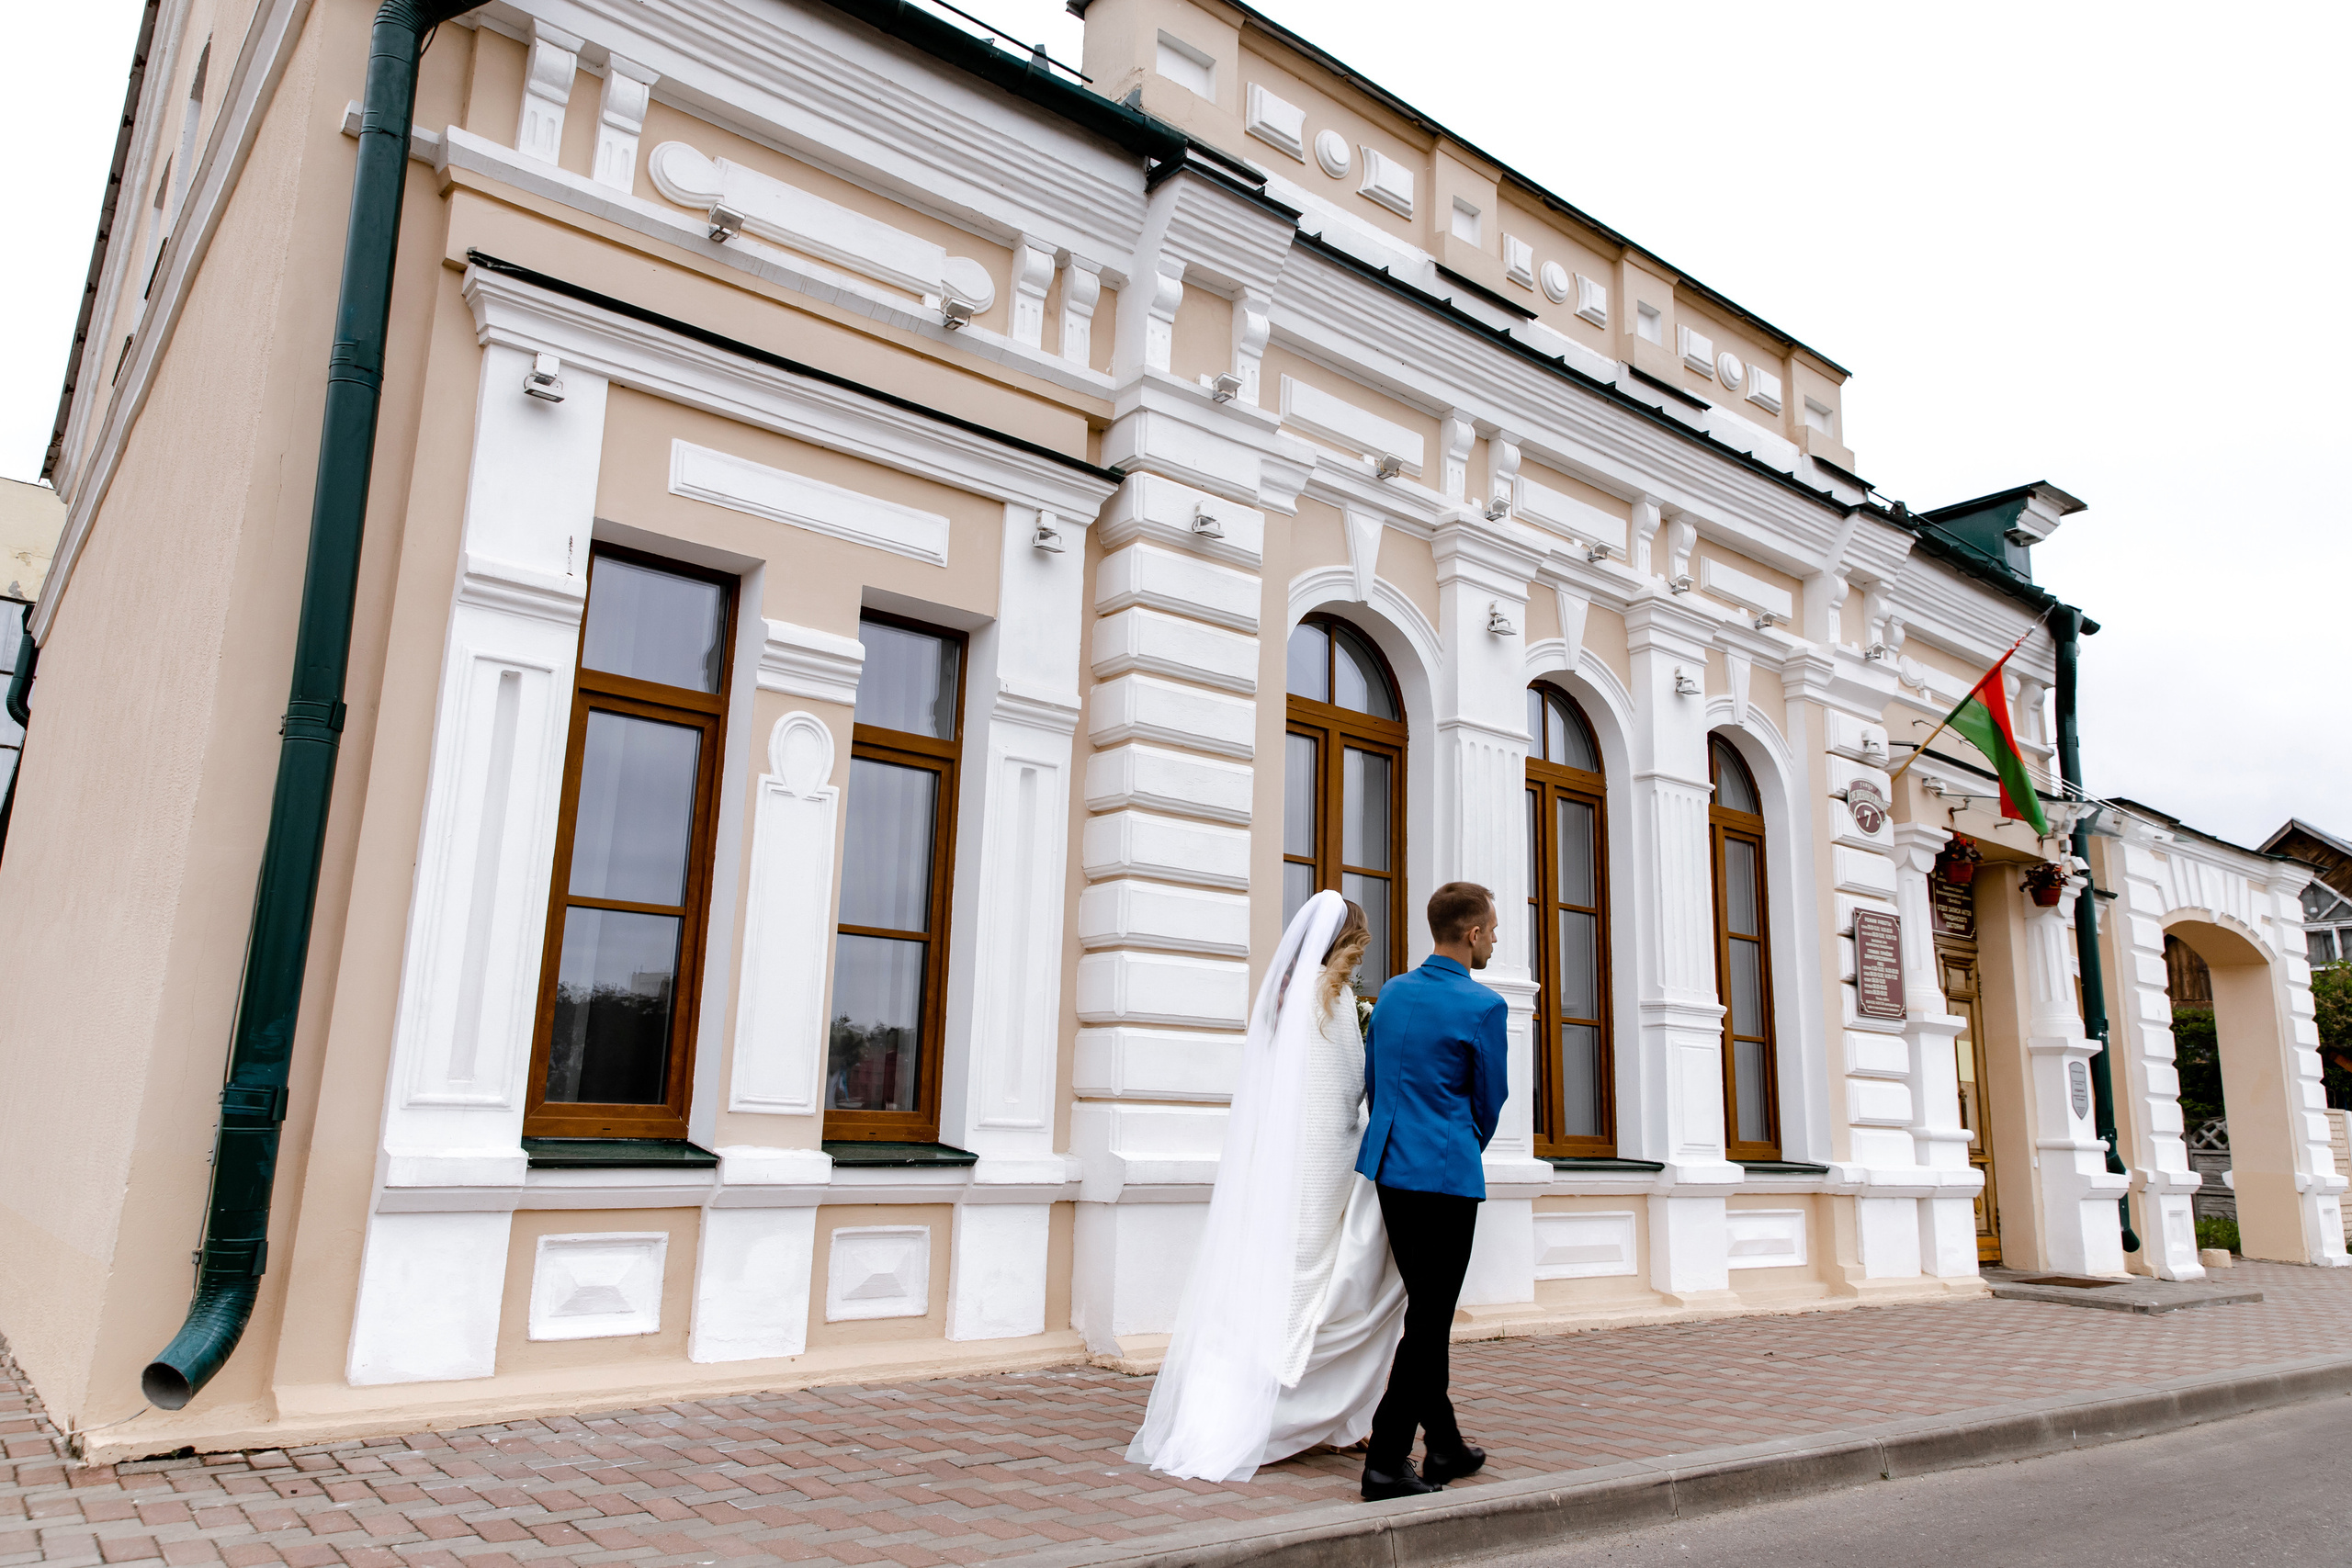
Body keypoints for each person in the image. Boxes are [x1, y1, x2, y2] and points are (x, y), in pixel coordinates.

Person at [1125, 891, 1408, 1483]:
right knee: (1349, 1281)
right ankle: (1306, 1407)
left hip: (1285, 1158)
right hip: (1325, 1163)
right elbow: (1351, 1091)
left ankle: (1312, 1410)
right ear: (1348, 943)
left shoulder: (1282, 999)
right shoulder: (1331, 1004)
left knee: (1281, 1274)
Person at [1352, 880, 1510, 1500]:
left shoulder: (1391, 992)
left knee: (1427, 1313)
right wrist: (1462, 1141)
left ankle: (1442, 1441)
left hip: (1392, 1168)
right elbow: (1489, 1099)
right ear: (1472, 933)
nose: (1495, 938)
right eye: (1493, 929)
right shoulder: (1484, 1006)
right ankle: (1388, 1459)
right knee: (1431, 1320)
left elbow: (1372, 1079)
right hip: (1445, 1174)